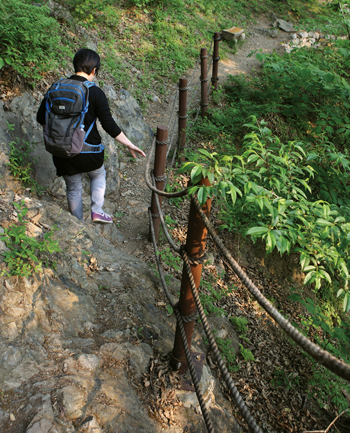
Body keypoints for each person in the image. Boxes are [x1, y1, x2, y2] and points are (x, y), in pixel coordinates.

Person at [37, 48, 146, 223]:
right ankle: (97, 210)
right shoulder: (95, 92)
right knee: (98, 175)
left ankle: (78, 224)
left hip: (61, 152)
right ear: (94, 70)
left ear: (75, 66)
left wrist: (62, 136)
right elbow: (109, 125)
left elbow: (40, 118)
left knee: (73, 188)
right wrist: (129, 144)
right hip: (89, 153)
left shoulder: (55, 87)